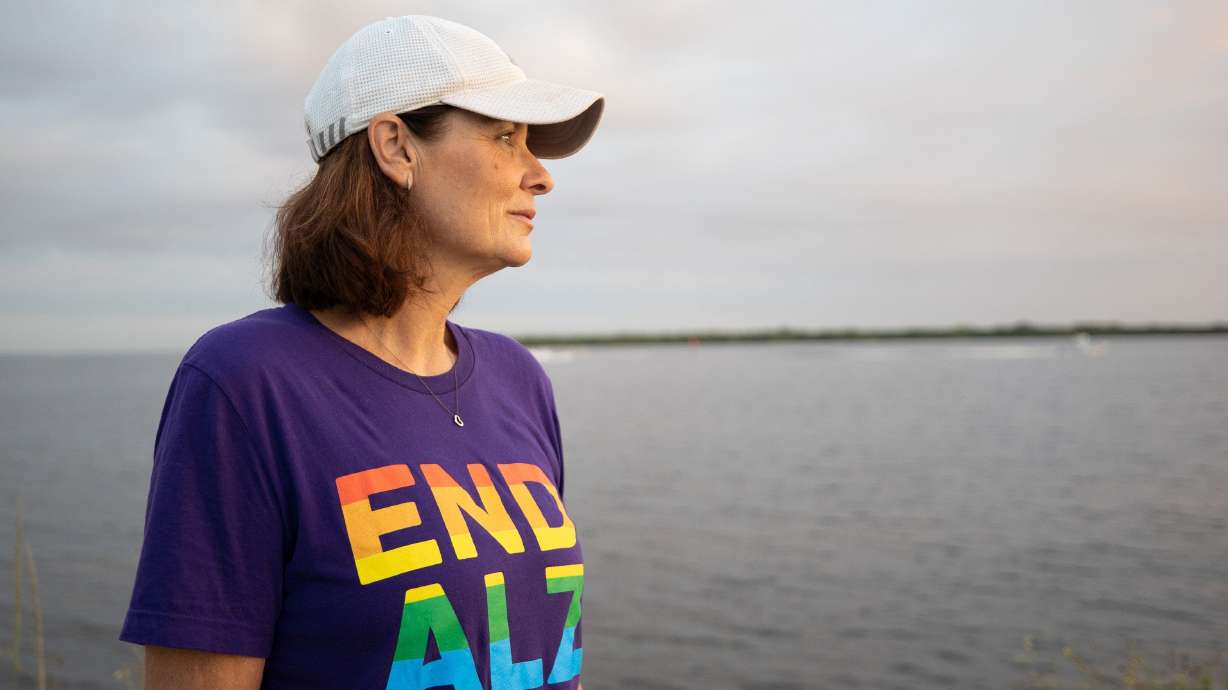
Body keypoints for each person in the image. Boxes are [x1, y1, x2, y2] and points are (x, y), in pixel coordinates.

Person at [118, 15, 603, 690]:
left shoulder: (519, 379)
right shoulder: (245, 384)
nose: (540, 176)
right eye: (505, 137)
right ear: (396, 147)